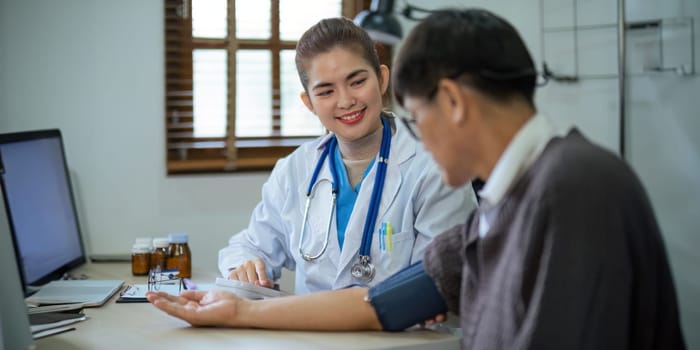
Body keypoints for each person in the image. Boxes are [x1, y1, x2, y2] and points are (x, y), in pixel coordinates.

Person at [149, 9, 686, 349]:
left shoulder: (574, 187)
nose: (414, 135)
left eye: (415, 113)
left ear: (450, 102)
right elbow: (380, 301)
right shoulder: (506, 202)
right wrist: (238, 310)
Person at [217, 17, 475, 293]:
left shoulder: (436, 166)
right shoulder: (295, 170)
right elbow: (249, 246)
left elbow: (433, 285)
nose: (345, 101)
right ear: (309, 103)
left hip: (405, 336)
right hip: (311, 334)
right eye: (326, 91)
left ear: (382, 78)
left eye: (357, 81)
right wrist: (245, 266)